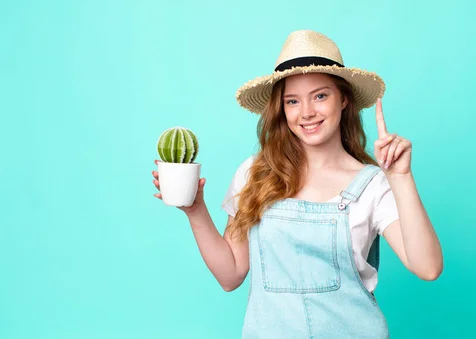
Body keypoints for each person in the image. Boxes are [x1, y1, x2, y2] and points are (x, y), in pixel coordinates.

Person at [152, 30, 443, 338]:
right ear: (282, 109)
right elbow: (231, 275)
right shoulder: (255, 174)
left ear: (343, 99)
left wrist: (401, 178)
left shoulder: (372, 184)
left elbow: (428, 267)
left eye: (320, 95)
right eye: (293, 101)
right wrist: (195, 210)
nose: (306, 112)